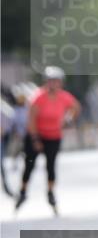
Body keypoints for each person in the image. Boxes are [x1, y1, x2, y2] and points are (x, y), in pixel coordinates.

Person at [15, 67, 81, 214]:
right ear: (47, 82)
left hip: (54, 136)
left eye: (57, 81)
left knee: (50, 166)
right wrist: (35, 139)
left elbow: (75, 107)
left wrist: (68, 119)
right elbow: (31, 120)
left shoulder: (64, 96)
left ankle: (50, 193)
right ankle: (23, 191)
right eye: (51, 81)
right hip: (36, 135)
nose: (54, 84)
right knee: (29, 165)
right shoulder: (38, 97)